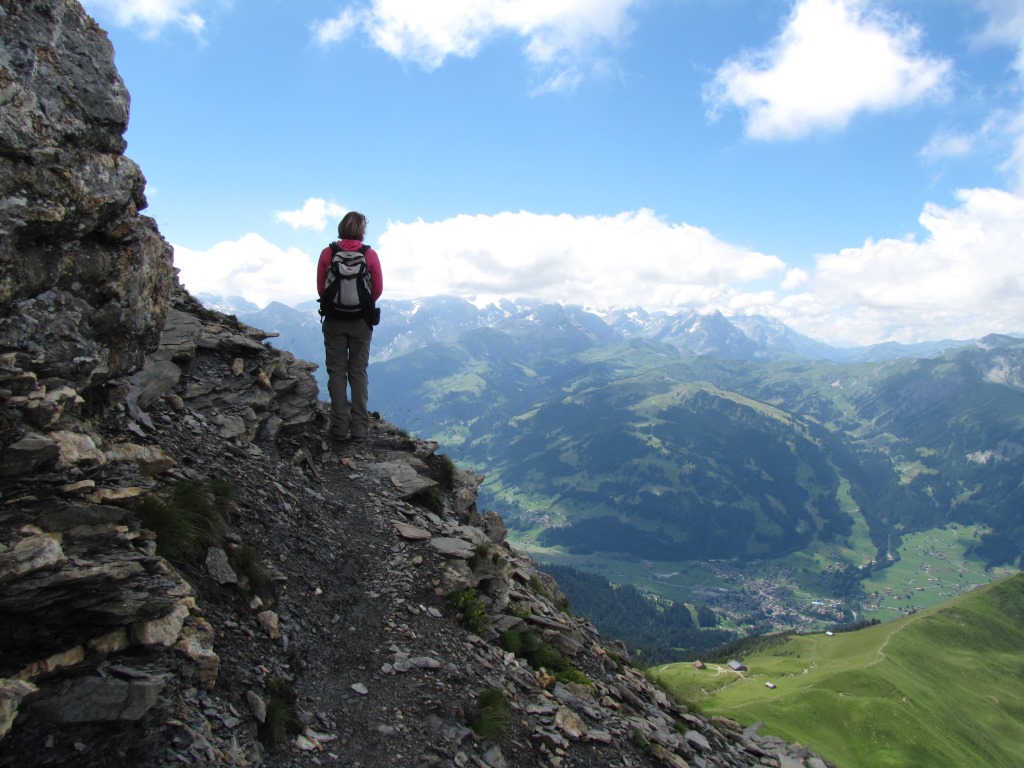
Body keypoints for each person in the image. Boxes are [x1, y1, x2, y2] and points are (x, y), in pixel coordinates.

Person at [316, 211, 383, 445]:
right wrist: (361, 305)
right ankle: (359, 430)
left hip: (334, 320)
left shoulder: (328, 253)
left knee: (336, 372)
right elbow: (377, 289)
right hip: (361, 323)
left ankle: (338, 428)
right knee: (358, 372)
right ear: (361, 230)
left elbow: (321, 288)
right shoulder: (369, 254)